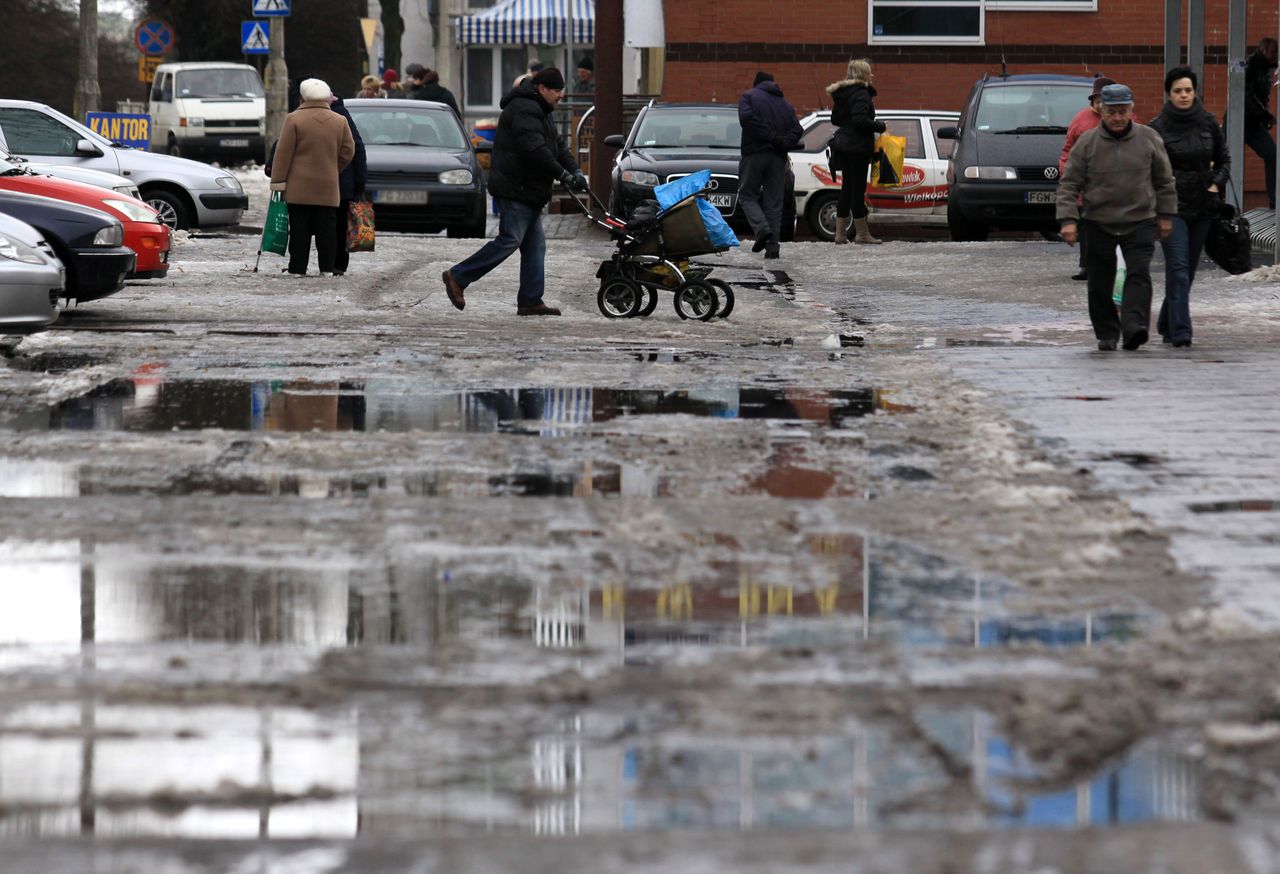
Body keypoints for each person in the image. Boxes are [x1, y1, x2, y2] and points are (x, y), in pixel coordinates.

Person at [441, 68, 584, 316]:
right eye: (557, 90)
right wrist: (562, 175)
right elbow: (534, 149)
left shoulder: (541, 110)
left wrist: (574, 170)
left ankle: (530, 300)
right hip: (516, 187)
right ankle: (458, 275)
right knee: (509, 240)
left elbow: (557, 146)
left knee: (534, 246)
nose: (561, 95)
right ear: (542, 89)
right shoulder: (524, 109)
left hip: (529, 189)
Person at [1056, 84, 1176, 352]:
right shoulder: (1087, 142)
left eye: (1123, 111)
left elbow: (1164, 180)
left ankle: (1134, 327)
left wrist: (1166, 215)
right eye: (1112, 112)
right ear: (1101, 110)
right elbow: (1069, 184)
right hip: (1099, 221)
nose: (1118, 117)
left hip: (1141, 219)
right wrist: (1068, 220)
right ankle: (1107, 333)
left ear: (1132, 110)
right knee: (1099, 280)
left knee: (1138, 274)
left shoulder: (1148, 138)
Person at [1149, 67, 1230, 349]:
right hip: (1173, 207)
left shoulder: (1208, 122)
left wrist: (1216, 184)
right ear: (1168, 94)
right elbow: (1150, 168)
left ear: (1195, 92)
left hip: (1204, 207)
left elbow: (1224, 160)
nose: (1184, 96)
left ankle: (1165, 322)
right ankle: (1181, 332)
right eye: (1178, 91)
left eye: (1188, 90)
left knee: (1188, 271)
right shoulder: (1157, 127)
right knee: (1179, 268)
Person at [269, 78, 356, 277]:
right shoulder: (339, 120)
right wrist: (335, 169)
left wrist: (278, 182)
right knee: (327, 229)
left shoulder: (294, 119)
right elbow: (348, 150)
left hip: (298, 187)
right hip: (328, 185)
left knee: (300, 229)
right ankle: (326, 268)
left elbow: (283, 153)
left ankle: (297, 268)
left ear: (302, 97)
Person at [737, 71, 802, 259]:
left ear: (756, 83)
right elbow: (797, 129)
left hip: (754, 155)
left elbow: (747, 120)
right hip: (777, 158)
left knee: (748, 195)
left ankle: (762, 230)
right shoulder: (785, 105)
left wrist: (771, 137)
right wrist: (783, 142)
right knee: (774, 204)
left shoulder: (748, 97)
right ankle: (773, 248)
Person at [1059, 75, 1115, 281]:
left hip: (1113, 187)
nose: (1101, 105)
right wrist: (1068, 173)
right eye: (1098, 100)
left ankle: (1108, 264)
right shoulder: (1081, 120)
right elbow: (1067, 151)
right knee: (1087, 227)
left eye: (1105, 100)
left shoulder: (1122, 118)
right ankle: (1086, 265)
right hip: (1087, 187)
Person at [826, 58, 885, 245]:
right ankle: (862, 233)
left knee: (847, 188)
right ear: (863, 74)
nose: (872, 75)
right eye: (869, 72)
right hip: (858, 147)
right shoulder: (861, 94)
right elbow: (860, 120)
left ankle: (840, 234)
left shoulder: (842, 94)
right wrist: (879, 126)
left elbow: (835, 119)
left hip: (844, 146)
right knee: (858, 190)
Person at [330, 95, 367, 277]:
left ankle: (338, 265)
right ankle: (335, 264)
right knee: (337, 224)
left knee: (340, 224)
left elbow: (357, 147)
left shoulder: (340, 114)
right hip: (339, 182)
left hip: (342, 182)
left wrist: (359, 181)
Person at [1245, 38, 1278, 209]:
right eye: (1273, 53)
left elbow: (1261, 97)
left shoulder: (1266, 68)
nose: (1276, 57)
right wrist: (1265, 116)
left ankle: (1274, 200)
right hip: (1240, 121)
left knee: (1273, 155)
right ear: (1263, 50)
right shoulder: (1249, 65)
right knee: (1223, 159)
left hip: (1254, 124)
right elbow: (1247, 96)